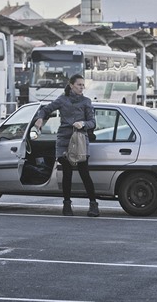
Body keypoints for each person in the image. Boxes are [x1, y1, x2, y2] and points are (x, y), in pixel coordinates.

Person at [34, 74, 99, 217]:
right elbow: (46, 109)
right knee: (67, 174)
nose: (82, 87)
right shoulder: (62, 100)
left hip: (80, 139)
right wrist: (40, 118)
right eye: (79, 85)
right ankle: (67, 204)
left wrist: (82, 124)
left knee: (84, 172)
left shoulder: (86, 101)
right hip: (64, 140)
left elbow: (93, 122)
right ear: (71, 85)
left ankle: (93, 205)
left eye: (83, 85)